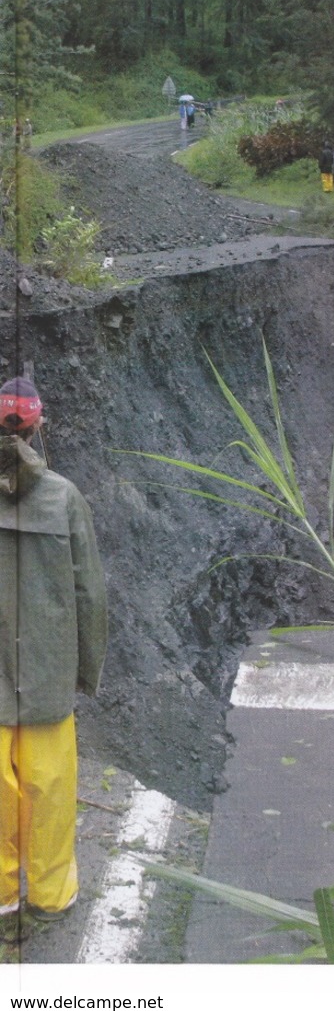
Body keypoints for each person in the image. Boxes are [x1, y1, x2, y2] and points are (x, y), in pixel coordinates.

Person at [0, 378, 108, 944]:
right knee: (49, 787)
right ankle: (48, 896)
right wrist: (84, 671)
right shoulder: (63, 496)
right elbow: (89, 591)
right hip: (46, 675)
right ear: (39, 425)